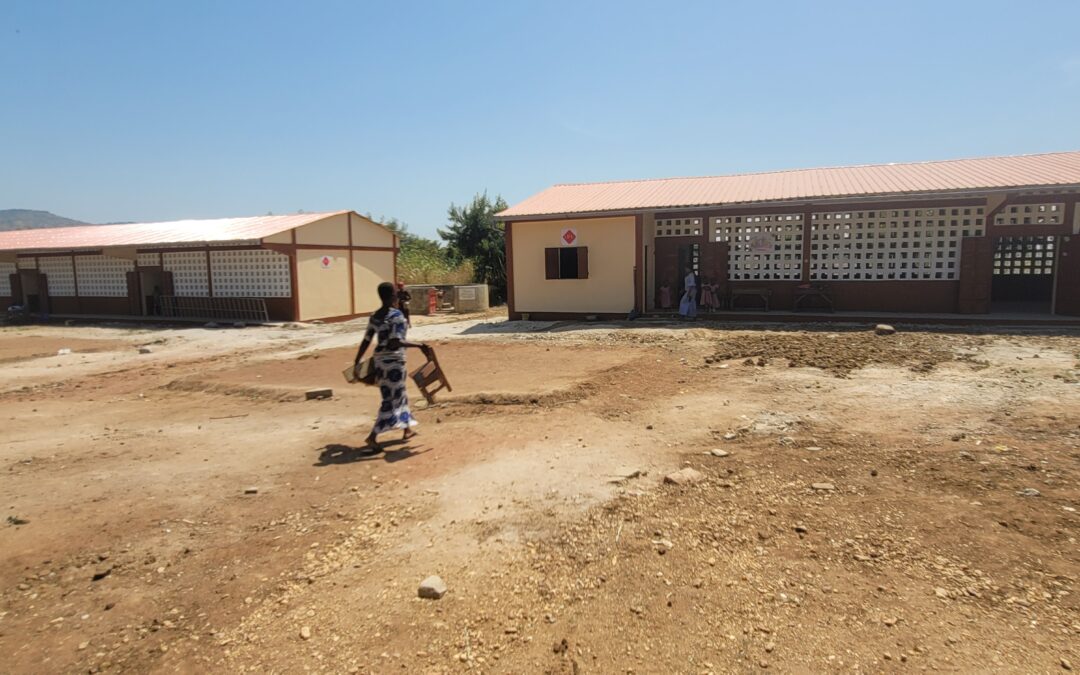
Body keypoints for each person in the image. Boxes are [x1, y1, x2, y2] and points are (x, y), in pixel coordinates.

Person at [353, 282, 430, 450]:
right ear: (392, 296)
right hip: (394, 363)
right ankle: (372, 436)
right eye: (395, 294)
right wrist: (419, 345)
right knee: (390, 399)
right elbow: (395, 342)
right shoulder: (396, 316)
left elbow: (366, 341)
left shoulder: (375, 316)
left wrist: (356, 361)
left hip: (380, 362)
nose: (397, 296)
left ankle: (407, 429)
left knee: (399, 394)